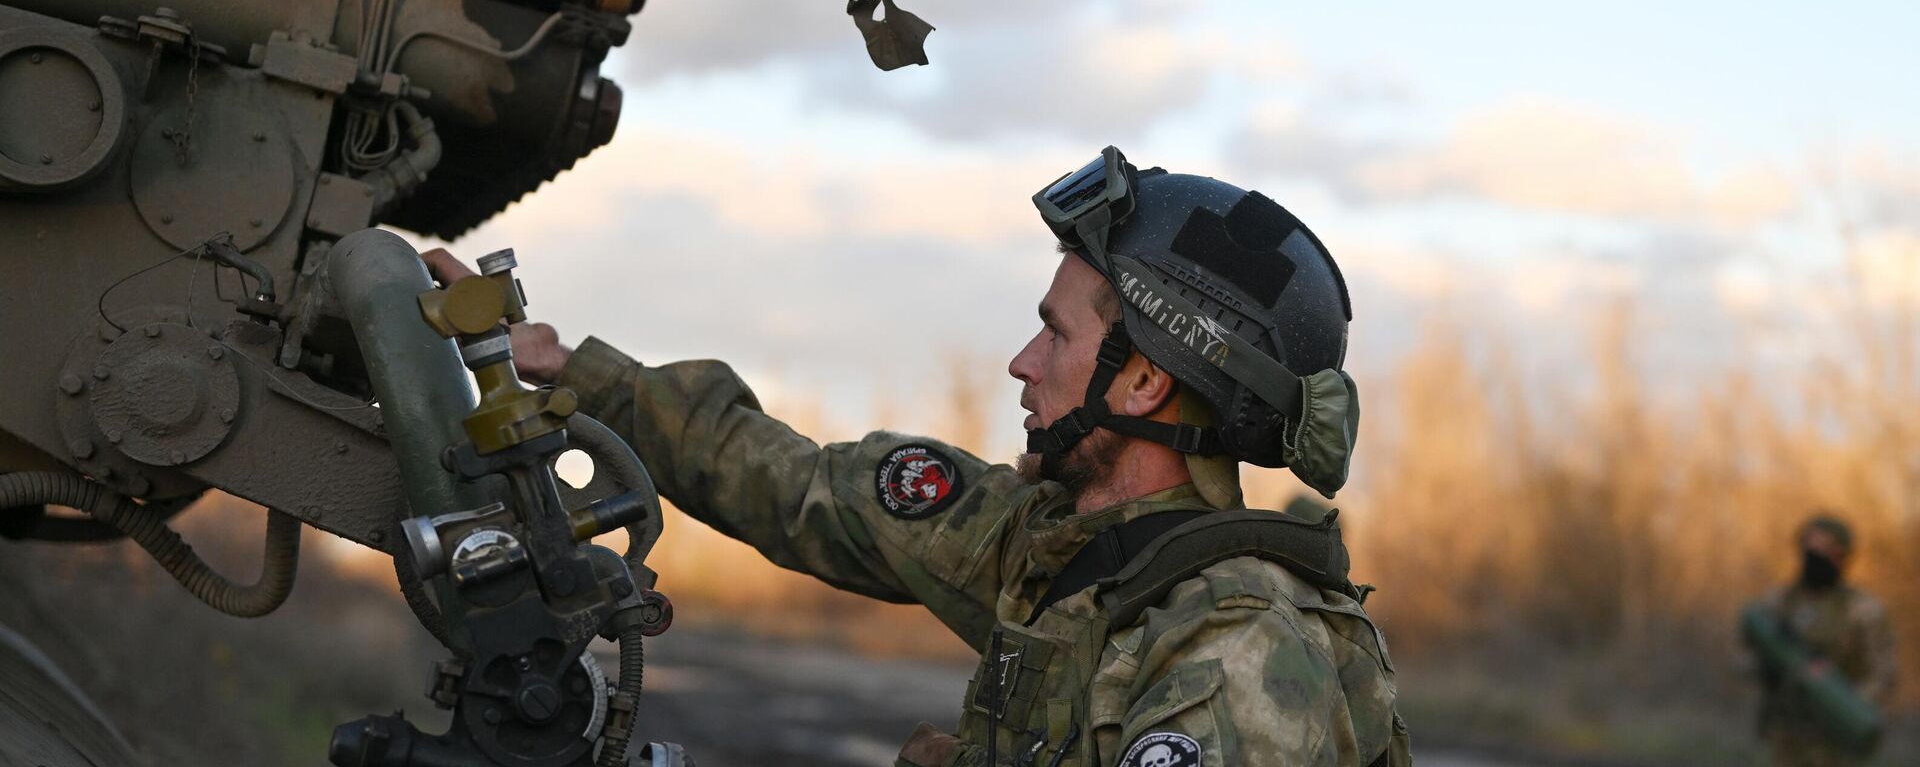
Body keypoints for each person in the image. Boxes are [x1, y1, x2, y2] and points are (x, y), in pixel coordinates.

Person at [425, 147, 1409, 766]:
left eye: (1056, 337)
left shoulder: (1238, 641)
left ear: (1146, 382)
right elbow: (800, 488)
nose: (1022, 364)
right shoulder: (1047, 542)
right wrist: (579, 376)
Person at [1744, 515, 1898, 767]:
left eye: (1826, 548)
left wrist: (1841, 701)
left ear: (1843, 556)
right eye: (1810, 546)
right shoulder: (1778, 601)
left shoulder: (1863, 610)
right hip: (1785, 739)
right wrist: (1762, 669)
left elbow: (1884, 675)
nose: (1815, 554)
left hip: (1838, 745)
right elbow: (1741, 660)